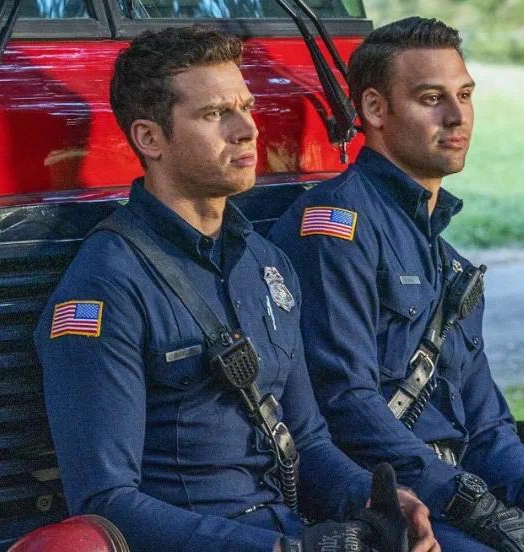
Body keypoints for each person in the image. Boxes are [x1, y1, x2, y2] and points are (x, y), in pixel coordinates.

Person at [269, 17, 524, 552]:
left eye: (464, 95)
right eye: (431, 99)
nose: (457, 116)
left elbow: (486, 423)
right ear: (375, 109)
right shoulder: (336, 229)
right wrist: (468, 501)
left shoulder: (446, 259)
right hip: (397, 506)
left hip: (466, 492)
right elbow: (345, 404)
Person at [33, 26, 439, 552]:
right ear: (150, 138)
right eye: (214, 114)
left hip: (291, 532)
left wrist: (374, 500)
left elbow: (308, 441)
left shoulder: (267, 264)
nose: (247, 129)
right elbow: (106, 501)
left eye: (245, 107)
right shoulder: (106, 284)